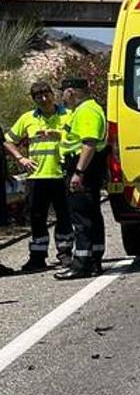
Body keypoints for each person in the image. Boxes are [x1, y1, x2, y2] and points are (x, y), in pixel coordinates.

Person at [4, 82, 74, 271]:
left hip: (61, 175)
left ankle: (65, 253)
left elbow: (77, 138)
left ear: (53, 94)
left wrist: (58, 135)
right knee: (36, 218)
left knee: (64, 217)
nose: (44, 99)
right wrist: (21, 158)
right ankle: (37, 256)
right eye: (38, 97)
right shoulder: (28, 118)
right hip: (36, 177)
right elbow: (8, 140)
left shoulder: (68, 115)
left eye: (46, 95)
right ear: (33, 99)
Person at [55, 78, 109, 280]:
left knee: (82, 219)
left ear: (70, 91)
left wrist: (78, 173)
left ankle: (81, 265)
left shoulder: (86, 111)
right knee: (92, 216)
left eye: (63, 92)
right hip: (87, 168)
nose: (62, 97)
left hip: (83, 168)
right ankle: (94, 261)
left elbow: (88, 143)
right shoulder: (86, 109)